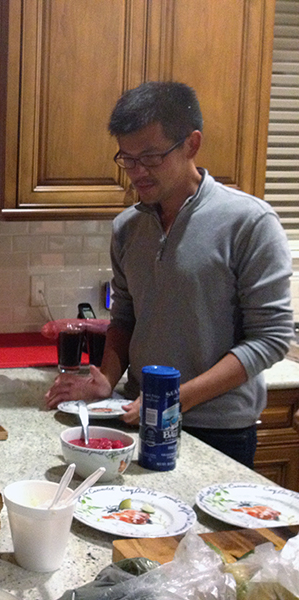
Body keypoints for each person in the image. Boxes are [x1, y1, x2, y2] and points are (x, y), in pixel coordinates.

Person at [44, 81, 294, 468]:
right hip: (136, 419)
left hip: (217, 430)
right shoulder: (128, 227)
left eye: (151, 157)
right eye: (126, 158)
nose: (136, 172)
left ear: (191, 144)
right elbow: (125, 317)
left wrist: (176, 397)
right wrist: (108, 378)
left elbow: (271, 339)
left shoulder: (249, 222)